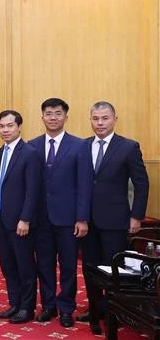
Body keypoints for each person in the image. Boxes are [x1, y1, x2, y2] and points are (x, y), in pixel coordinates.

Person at [80, 101, 149, 335]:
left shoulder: (128, 147)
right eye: (95, 119)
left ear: (114, 119)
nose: (99, 123)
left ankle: (113, 313)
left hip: (116, 220)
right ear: (90, 120)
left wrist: (136, 215)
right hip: (86, 221)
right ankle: (94, 309)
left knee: (112, 270)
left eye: (104, 118)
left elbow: (141, 183)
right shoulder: (83, 146)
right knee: (90, 269)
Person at [28, 98, 93, 328]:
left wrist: (82, 217)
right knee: (44, 263)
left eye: (57, 113)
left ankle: (66, 307)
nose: (53, 117)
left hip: (68, 219)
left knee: (67, 265)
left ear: (66, 116)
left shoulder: (79, 146)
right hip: (41, 218)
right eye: (48, 113)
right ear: (42, 117)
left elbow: (85, 184)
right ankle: (48, 305)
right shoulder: (32, 146)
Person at [0, 110, 43, 324]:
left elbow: (33, 190)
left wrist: (26, 218)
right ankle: (14, 303)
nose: (5, 130)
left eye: (9, 126)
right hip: (1, 219)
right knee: (7, 265)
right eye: (2, 126)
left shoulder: (29, 153)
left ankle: (27, 308)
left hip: (20, 221)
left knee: (25, 267)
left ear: (19, 126)